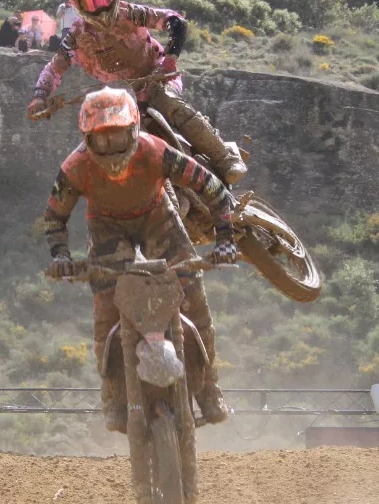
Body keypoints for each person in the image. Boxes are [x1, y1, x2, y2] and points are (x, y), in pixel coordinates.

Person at [42, 87, 240, 450]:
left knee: (193, 296)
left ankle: (209, 387)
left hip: (157, 218)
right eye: (102, 139)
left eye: (118, 134)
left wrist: (225, 240)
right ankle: (113, 395)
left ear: (134, 130)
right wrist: (60, 256)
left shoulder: (156, 151)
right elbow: (54, 218)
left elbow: (212, 189)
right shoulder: (75, 167)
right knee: (106, 309)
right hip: (106, 228)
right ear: (87, 139)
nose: (112, 146)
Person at [27, 0, 247, 185]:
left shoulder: (131, 13)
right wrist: (39, 97)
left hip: (157, 77)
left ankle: (224, 156)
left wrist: (170, 60)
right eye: (91, 3)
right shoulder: (76, 37)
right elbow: (54, 69)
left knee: (168, 102)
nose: (100, 7)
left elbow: (176, 21)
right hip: (122, 98)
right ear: (77, 5)